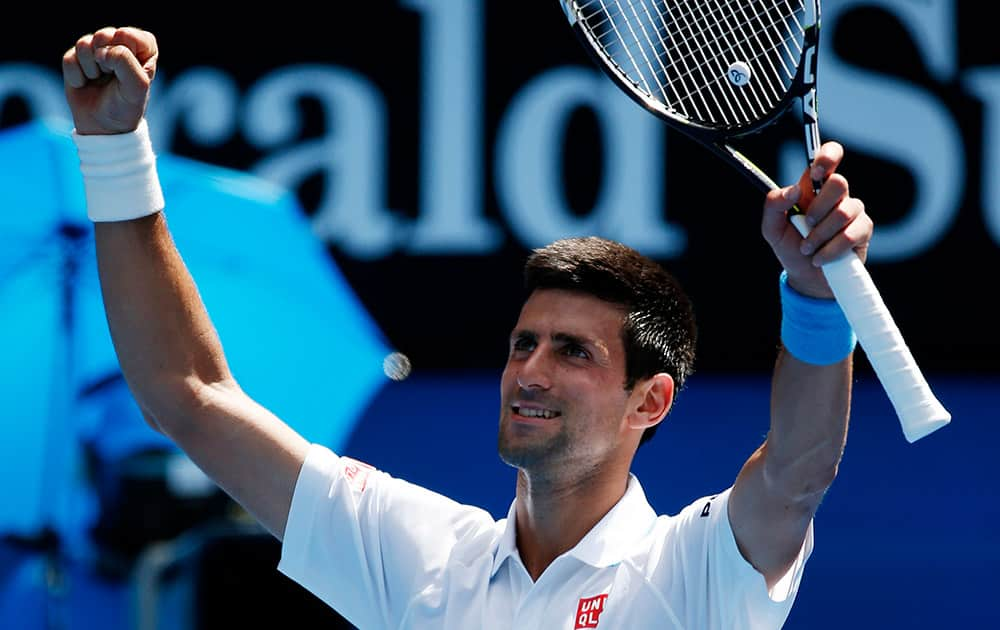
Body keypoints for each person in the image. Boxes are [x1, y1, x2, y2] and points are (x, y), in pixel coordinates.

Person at [61, 26, 872, 630]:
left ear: (649, 402)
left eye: (574, 352)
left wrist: (814, 298)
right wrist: (114, 151)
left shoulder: (694, 569)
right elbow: (190, 397)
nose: (531, 371)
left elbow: (797, 472)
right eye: (524, 343)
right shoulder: (416, 553)